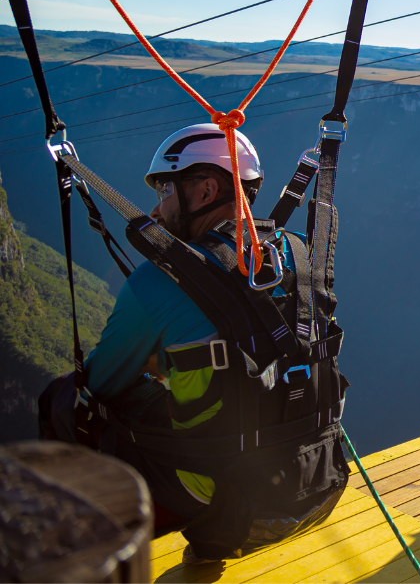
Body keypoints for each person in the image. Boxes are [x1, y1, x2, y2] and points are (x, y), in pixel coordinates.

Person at [37, 124, 349, 562]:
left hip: (226, 498)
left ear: (205, 190)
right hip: (318, 478)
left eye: (164, 188)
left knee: (63, 399)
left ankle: (78, 553)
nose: (156, 207)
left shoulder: (161, 279)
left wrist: (157, 359)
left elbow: (102, 382)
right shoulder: (298, 253)